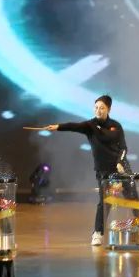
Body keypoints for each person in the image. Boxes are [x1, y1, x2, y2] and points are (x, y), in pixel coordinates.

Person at [43, 95, 128, 247]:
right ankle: (98, 233)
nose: (98, 110)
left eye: (102, 108)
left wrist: (120, 162)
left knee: (133, 197)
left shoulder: (116, 126)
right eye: (96, 107)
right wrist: (57, 127)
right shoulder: (90, 125)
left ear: (108, 109)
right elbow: (73, 126)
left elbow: (123, 147)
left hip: (120, 168)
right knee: (105, 202)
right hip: (103, 170)